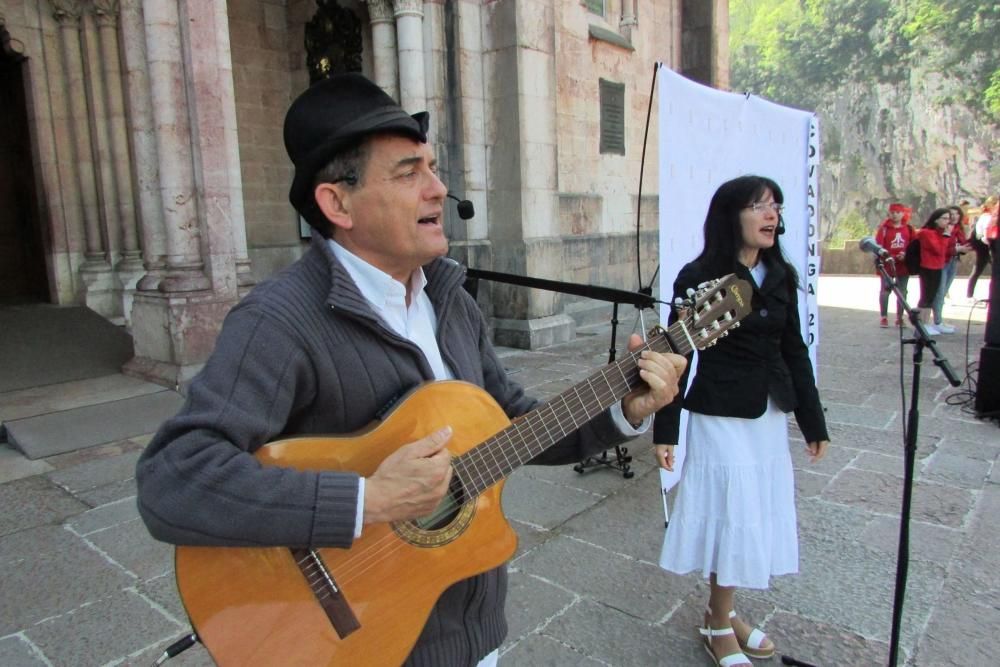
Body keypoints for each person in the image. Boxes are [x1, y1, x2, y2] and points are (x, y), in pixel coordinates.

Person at [133, 73, 687, 667]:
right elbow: (174, 480)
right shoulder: (278, 322)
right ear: (337, 202)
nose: (438, 189)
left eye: (432, 167)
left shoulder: (448, 298)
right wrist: (366, 498)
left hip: (472, 634)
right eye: (408, 172)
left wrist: (622, 408)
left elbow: (511, 426)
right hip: (366, 643)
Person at [652, 176, 829, 667]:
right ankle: (716, 623)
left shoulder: (780, 273)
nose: (770, 215)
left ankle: (723, 612)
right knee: (732, 515)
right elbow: (675, 355)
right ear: (733, 215)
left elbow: (794, 349)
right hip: (720, 412)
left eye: (775, 206)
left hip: (767, 413)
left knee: (749, 514)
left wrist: (813, 422)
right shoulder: (700, 274)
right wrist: (665, 431)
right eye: (758, 206)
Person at [930, 206, 970, 332]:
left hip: (953, 261)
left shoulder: (959, 229)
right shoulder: (942, 230)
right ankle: (937, 321)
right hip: (943, 262)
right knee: (939, 292)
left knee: (944, 290)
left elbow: (963, 244)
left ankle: (939, 320)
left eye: (957, 214)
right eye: (950, 214)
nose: (954, 217)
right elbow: (941, 249)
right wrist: (956, 249)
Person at [873, 202, 914, 328]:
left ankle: (899, 317)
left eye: (898, 212)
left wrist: (906, 254)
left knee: (902, 291)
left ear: (903, 214)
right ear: (889, 214)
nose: (895, 215)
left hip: (903, 264)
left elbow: (913, 245)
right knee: (885, 290)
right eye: (893, 213)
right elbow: (878, 246)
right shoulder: (884, 229)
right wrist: (885, 256)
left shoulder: (909, 229)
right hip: (887, 263)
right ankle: (884, 317)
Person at [915, 208, 952, 335]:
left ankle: (926, 322)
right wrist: (946, 236)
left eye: (948, 219)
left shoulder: (938, 233)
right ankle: (921, 324)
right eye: (944, 218)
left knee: (931, 297)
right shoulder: (927, 233)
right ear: (936, 220)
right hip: (927, 267)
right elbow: (939, 250)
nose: (947, 222)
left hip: (938, 267)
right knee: (926, 296)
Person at [967, 196, 998, 300]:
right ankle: (970, 295)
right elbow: (984, 235)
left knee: (982, 271)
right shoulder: (987, 217)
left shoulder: (987, 216)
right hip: (985, 248)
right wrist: (991, 245)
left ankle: (970, 294)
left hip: (988, 247)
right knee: (978, 270)